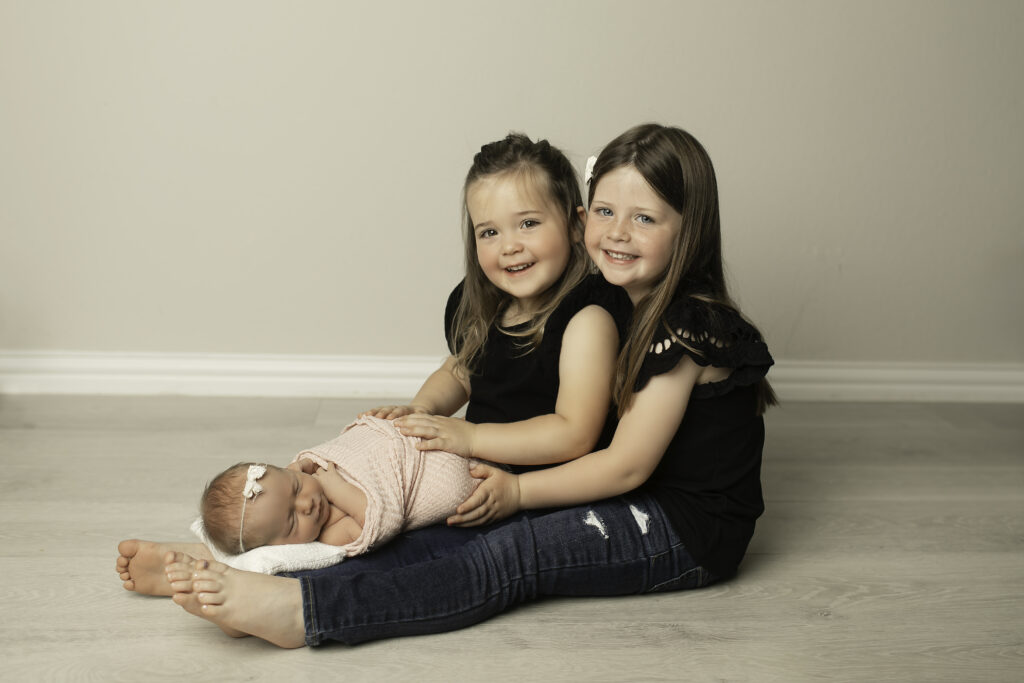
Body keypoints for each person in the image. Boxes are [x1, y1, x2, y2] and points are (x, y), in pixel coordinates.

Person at [160, 123, 777, 649]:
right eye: (607, 213)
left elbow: (621, 467)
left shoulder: (688, 325)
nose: (617, 233)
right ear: (585, 216)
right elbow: (467, 370)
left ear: (688, 227)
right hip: (599, 487)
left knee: (510, 556)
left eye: (644, 218)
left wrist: (515, 492)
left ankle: (306, 613)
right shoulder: (619, 300)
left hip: (682, 528)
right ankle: (261, 570)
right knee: (427, 530)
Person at [116, 132, 629, 595]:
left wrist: (468, 438)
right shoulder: (491, 304)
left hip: (529, 485)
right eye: (488, 232)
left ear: (577, 222)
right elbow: (461, 369)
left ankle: (268, 589)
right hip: (470, 464)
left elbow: (574, 433)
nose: (509, 246)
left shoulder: (585, 319)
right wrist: (421, 409)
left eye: (529, 223)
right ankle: (243, 550)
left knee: (402, 552)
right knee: (322, 491)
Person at [199, 416, 483, 557]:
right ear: (280, 547)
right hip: (431, 478)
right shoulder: (331, 536)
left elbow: (327, 453)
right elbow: (377, 521)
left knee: (476, 431)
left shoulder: (303, 470)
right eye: (291, 521)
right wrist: (336, 489)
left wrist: (304, 465)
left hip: (414, 441)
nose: (306, 505)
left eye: (296, 488)